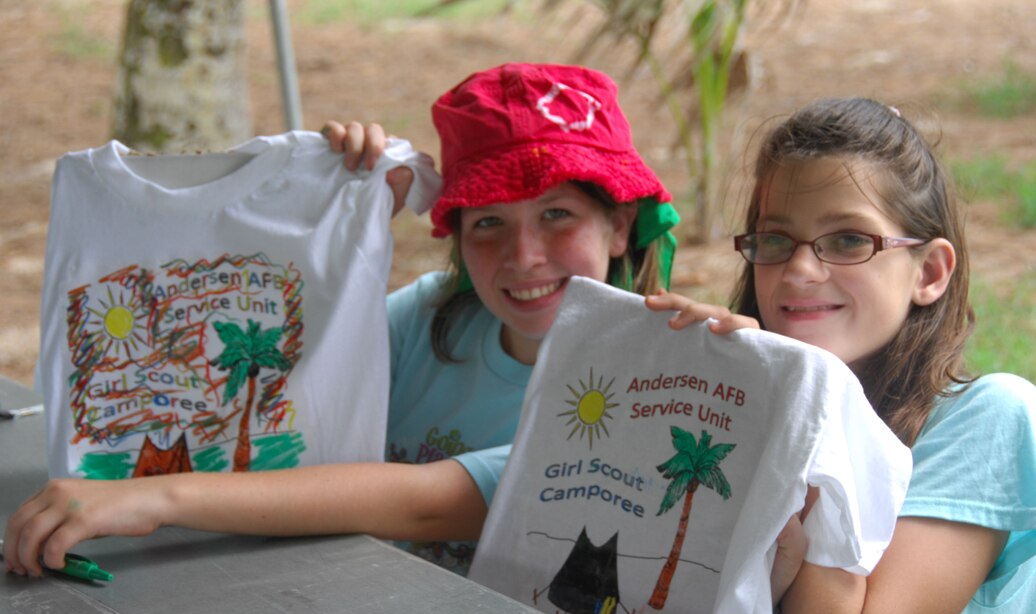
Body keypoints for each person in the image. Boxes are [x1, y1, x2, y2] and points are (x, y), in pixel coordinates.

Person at [3, 62, 679, 578]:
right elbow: (274, 377)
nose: (523, 256)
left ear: (619, 223)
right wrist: (330, 243)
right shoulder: (431, 322)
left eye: (557, 214)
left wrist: (156, 499)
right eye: (490, 223)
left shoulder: (643, 397)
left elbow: (422, 502)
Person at [648, 97, 1036, 614]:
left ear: (929, 272)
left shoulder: (993, 419)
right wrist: (691, 394)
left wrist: (801, 407)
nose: (799, 269)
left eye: (847, 239)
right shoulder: (764, 411)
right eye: (775, 239)